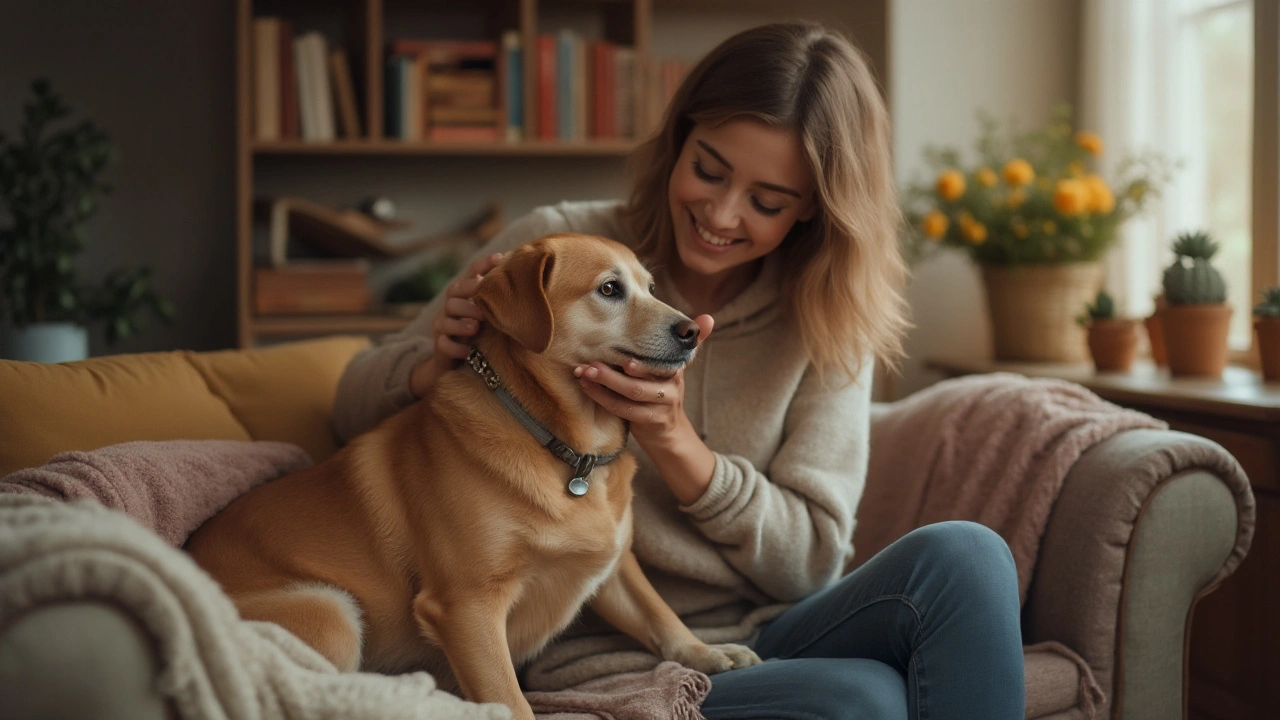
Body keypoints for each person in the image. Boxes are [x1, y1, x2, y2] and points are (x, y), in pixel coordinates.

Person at [333, 21, 1025, 720]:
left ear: (812, 206)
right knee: (863, 699)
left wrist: (675, 442)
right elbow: (352, 409)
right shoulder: (561, 248)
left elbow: (812, 560)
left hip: (767, 626)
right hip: (600, 644)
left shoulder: (829, 315)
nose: (720, 215)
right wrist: (432, 361)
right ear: (679, 140)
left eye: (766, 201)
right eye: (710, 169)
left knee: (968, 556)